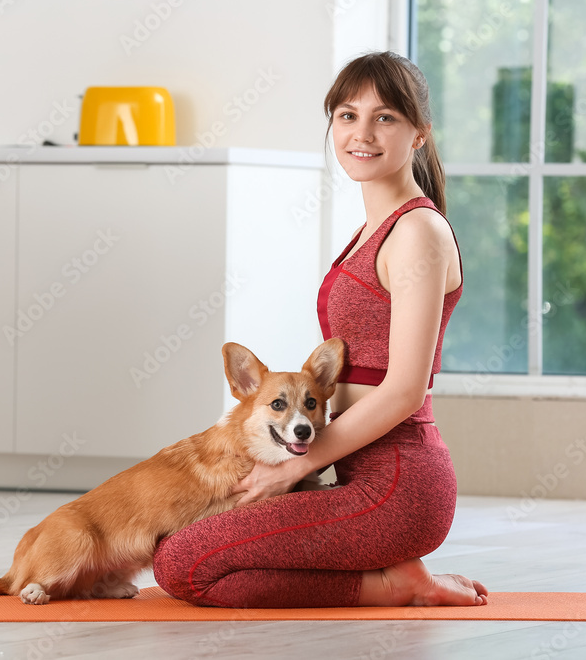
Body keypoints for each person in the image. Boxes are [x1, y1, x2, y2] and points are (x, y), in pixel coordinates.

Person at [152, 51, 487, 608]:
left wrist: (300, 466)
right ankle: (392, 577)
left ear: (420, 135)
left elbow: (405, 389)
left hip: (398, 488)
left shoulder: (417, 232)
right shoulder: (372, 230)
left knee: (183, 566)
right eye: (347, 115)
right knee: (175, 548)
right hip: (352, 475)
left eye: (385, 118)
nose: (362, 133)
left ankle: (394, 584)